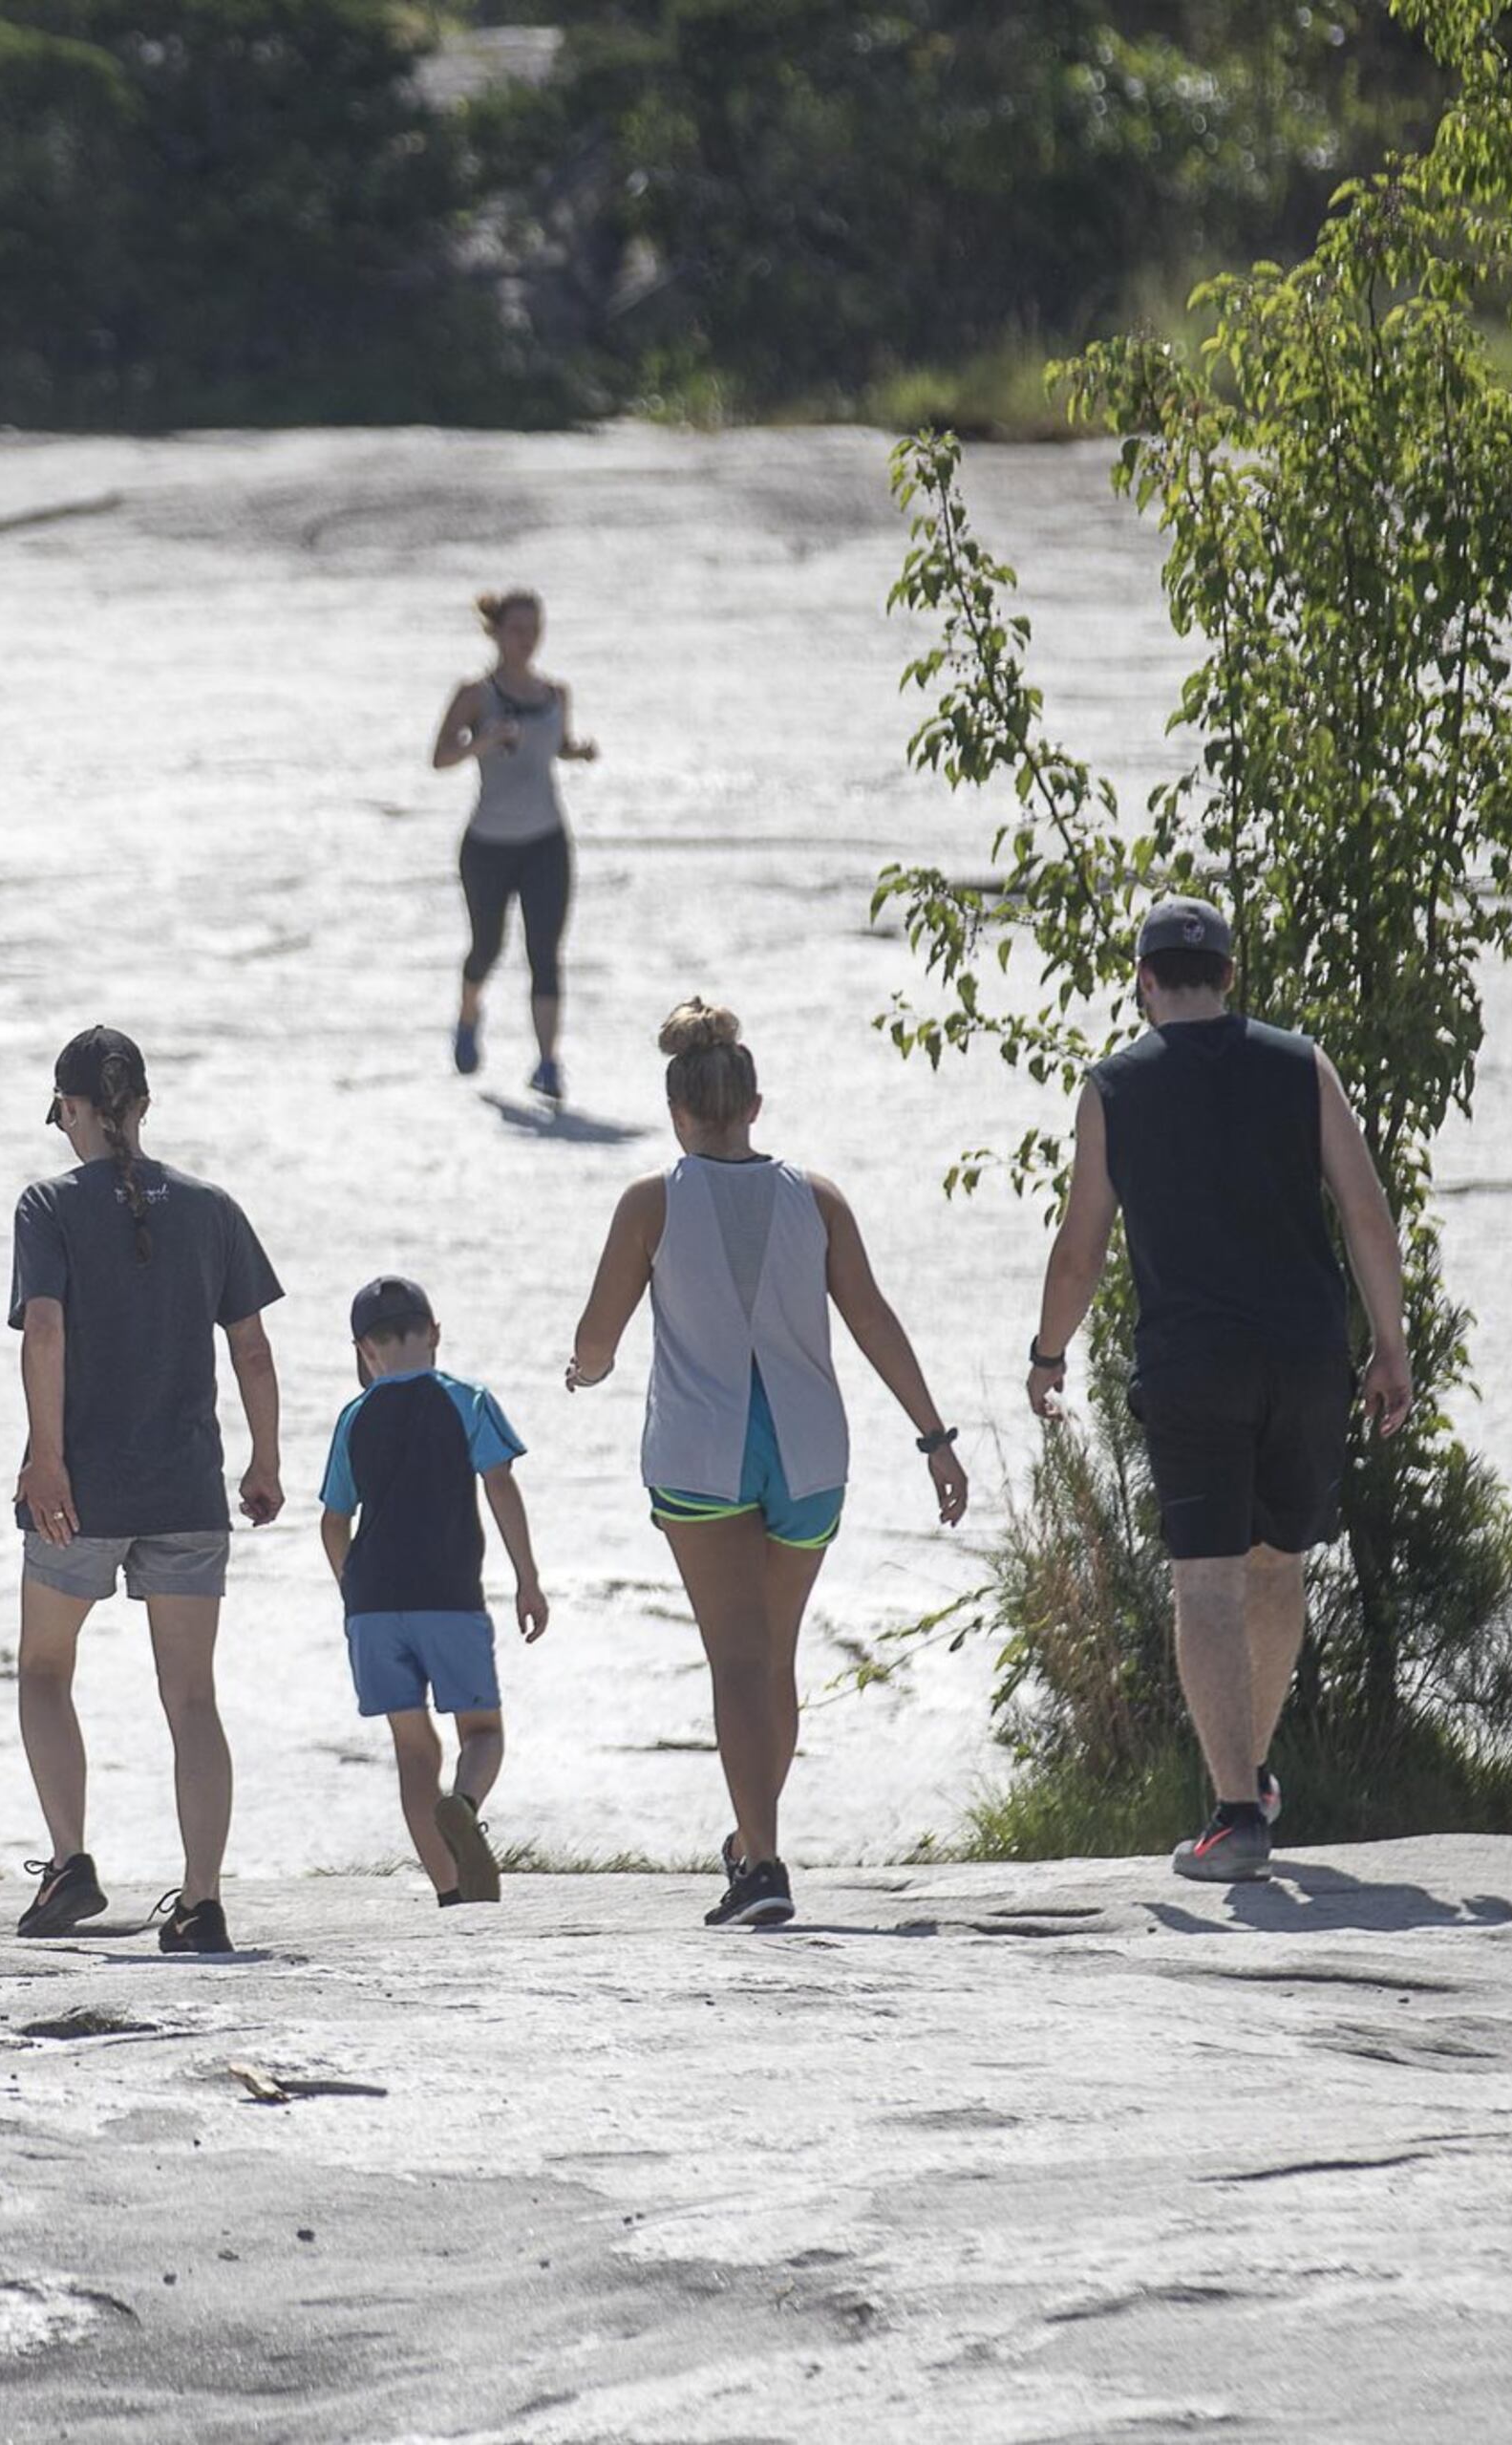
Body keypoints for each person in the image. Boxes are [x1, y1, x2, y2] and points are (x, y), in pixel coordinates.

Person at [1026, 896, 1413, 1882]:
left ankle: (1236, 1812)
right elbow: (1366, 1212)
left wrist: (1048, 1350)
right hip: (1306, 1356)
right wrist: (1391, 1345)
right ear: (1229, 976)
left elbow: (1081, 1245)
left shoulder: (1114, 1085)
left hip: (1195, 1366)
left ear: (1144, 980)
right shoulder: (1301, 1064)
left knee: (1205, 1580)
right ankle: (1254, 1776)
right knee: (1278, 1562)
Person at [565, 1001, 969, 1928]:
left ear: (677, 1110)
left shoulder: (650, 1202)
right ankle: (752, 1844)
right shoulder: (816, 1197)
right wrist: (935, 1439)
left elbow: (598, 1340)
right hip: (809, 1453)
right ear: (754, 1102)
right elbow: (871, 1318)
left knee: (736, 1661)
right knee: (773, 1658)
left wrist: (583, 1372)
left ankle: (763, 1868)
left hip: (703, 1453)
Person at [11, 1025, 287, 1956]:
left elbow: (43, 1331)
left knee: (45, 1669)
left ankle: (70, 1863)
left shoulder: (48, 1206)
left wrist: (47, 1459)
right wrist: (265, 1460)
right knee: (192, 1699)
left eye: (66, 1114)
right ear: (146, 1108)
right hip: (185, 1490)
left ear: (78, 1111)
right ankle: (202, 1902)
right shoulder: (211, 1208)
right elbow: (250, 1347)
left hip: (77, 1492)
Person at [316, 1275, 548, 1908]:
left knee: (414, 1751)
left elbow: (333, 1521)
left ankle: (452, 1891)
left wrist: (352, 1594)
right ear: (434, 1333)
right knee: (481, 1733)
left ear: (366, 1350)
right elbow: (499, 1484)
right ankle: (465, 1807)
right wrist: (527, 1578)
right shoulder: (468, 1402)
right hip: (448, 1596)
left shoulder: (354, 1418)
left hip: (373, 1608)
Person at [429, 588, 600, 1103]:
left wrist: (577, 751)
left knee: (545, 952)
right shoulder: (476, 695)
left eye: (534, 630)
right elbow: (439, 756)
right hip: (488, 845)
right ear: (497, 633)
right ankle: (467, 1014)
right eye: (517, 630)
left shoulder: (556, 694)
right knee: (488, 946)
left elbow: (557, 744)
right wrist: (482, 741)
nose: (527, 640)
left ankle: (548, 1063)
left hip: (546, 840)